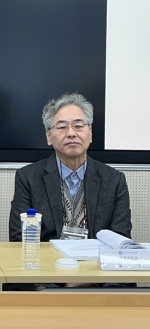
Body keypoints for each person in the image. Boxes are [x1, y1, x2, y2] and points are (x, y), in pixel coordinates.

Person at [9, 92, 132, 242]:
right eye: (62, 127)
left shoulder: (114, 180)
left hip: (94, 257)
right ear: (49, 136)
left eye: (78, 126)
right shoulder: (28, 178)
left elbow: (120, 239)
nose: (71, 133)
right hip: (47, 256)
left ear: (90, 133)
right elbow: (19, 238)